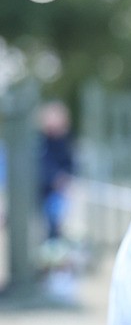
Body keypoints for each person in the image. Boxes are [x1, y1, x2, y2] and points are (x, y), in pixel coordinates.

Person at [38, 101, 75, 242]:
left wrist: (64, 178)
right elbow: (41, 164)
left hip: (57, 191)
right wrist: (54, 178)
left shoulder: (64, 141)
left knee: (55, 220)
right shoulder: (41, 141)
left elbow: (69, 163)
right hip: (44, 188)